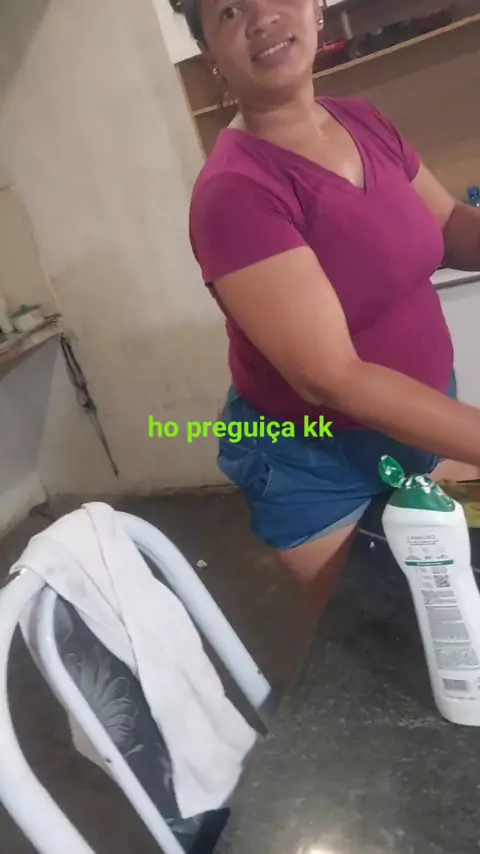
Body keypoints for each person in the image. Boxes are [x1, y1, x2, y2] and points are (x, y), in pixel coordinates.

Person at [183, 0, 480, 611]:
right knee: (400, 634)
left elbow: (447, 223)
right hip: (319, 463)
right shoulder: (233, 193)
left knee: (461, 603)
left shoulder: (362, 120)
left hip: (420, 422)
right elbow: (331, 377)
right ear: (211, 56)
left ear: (317, 10)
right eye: (229, 11)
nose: (261, 18)